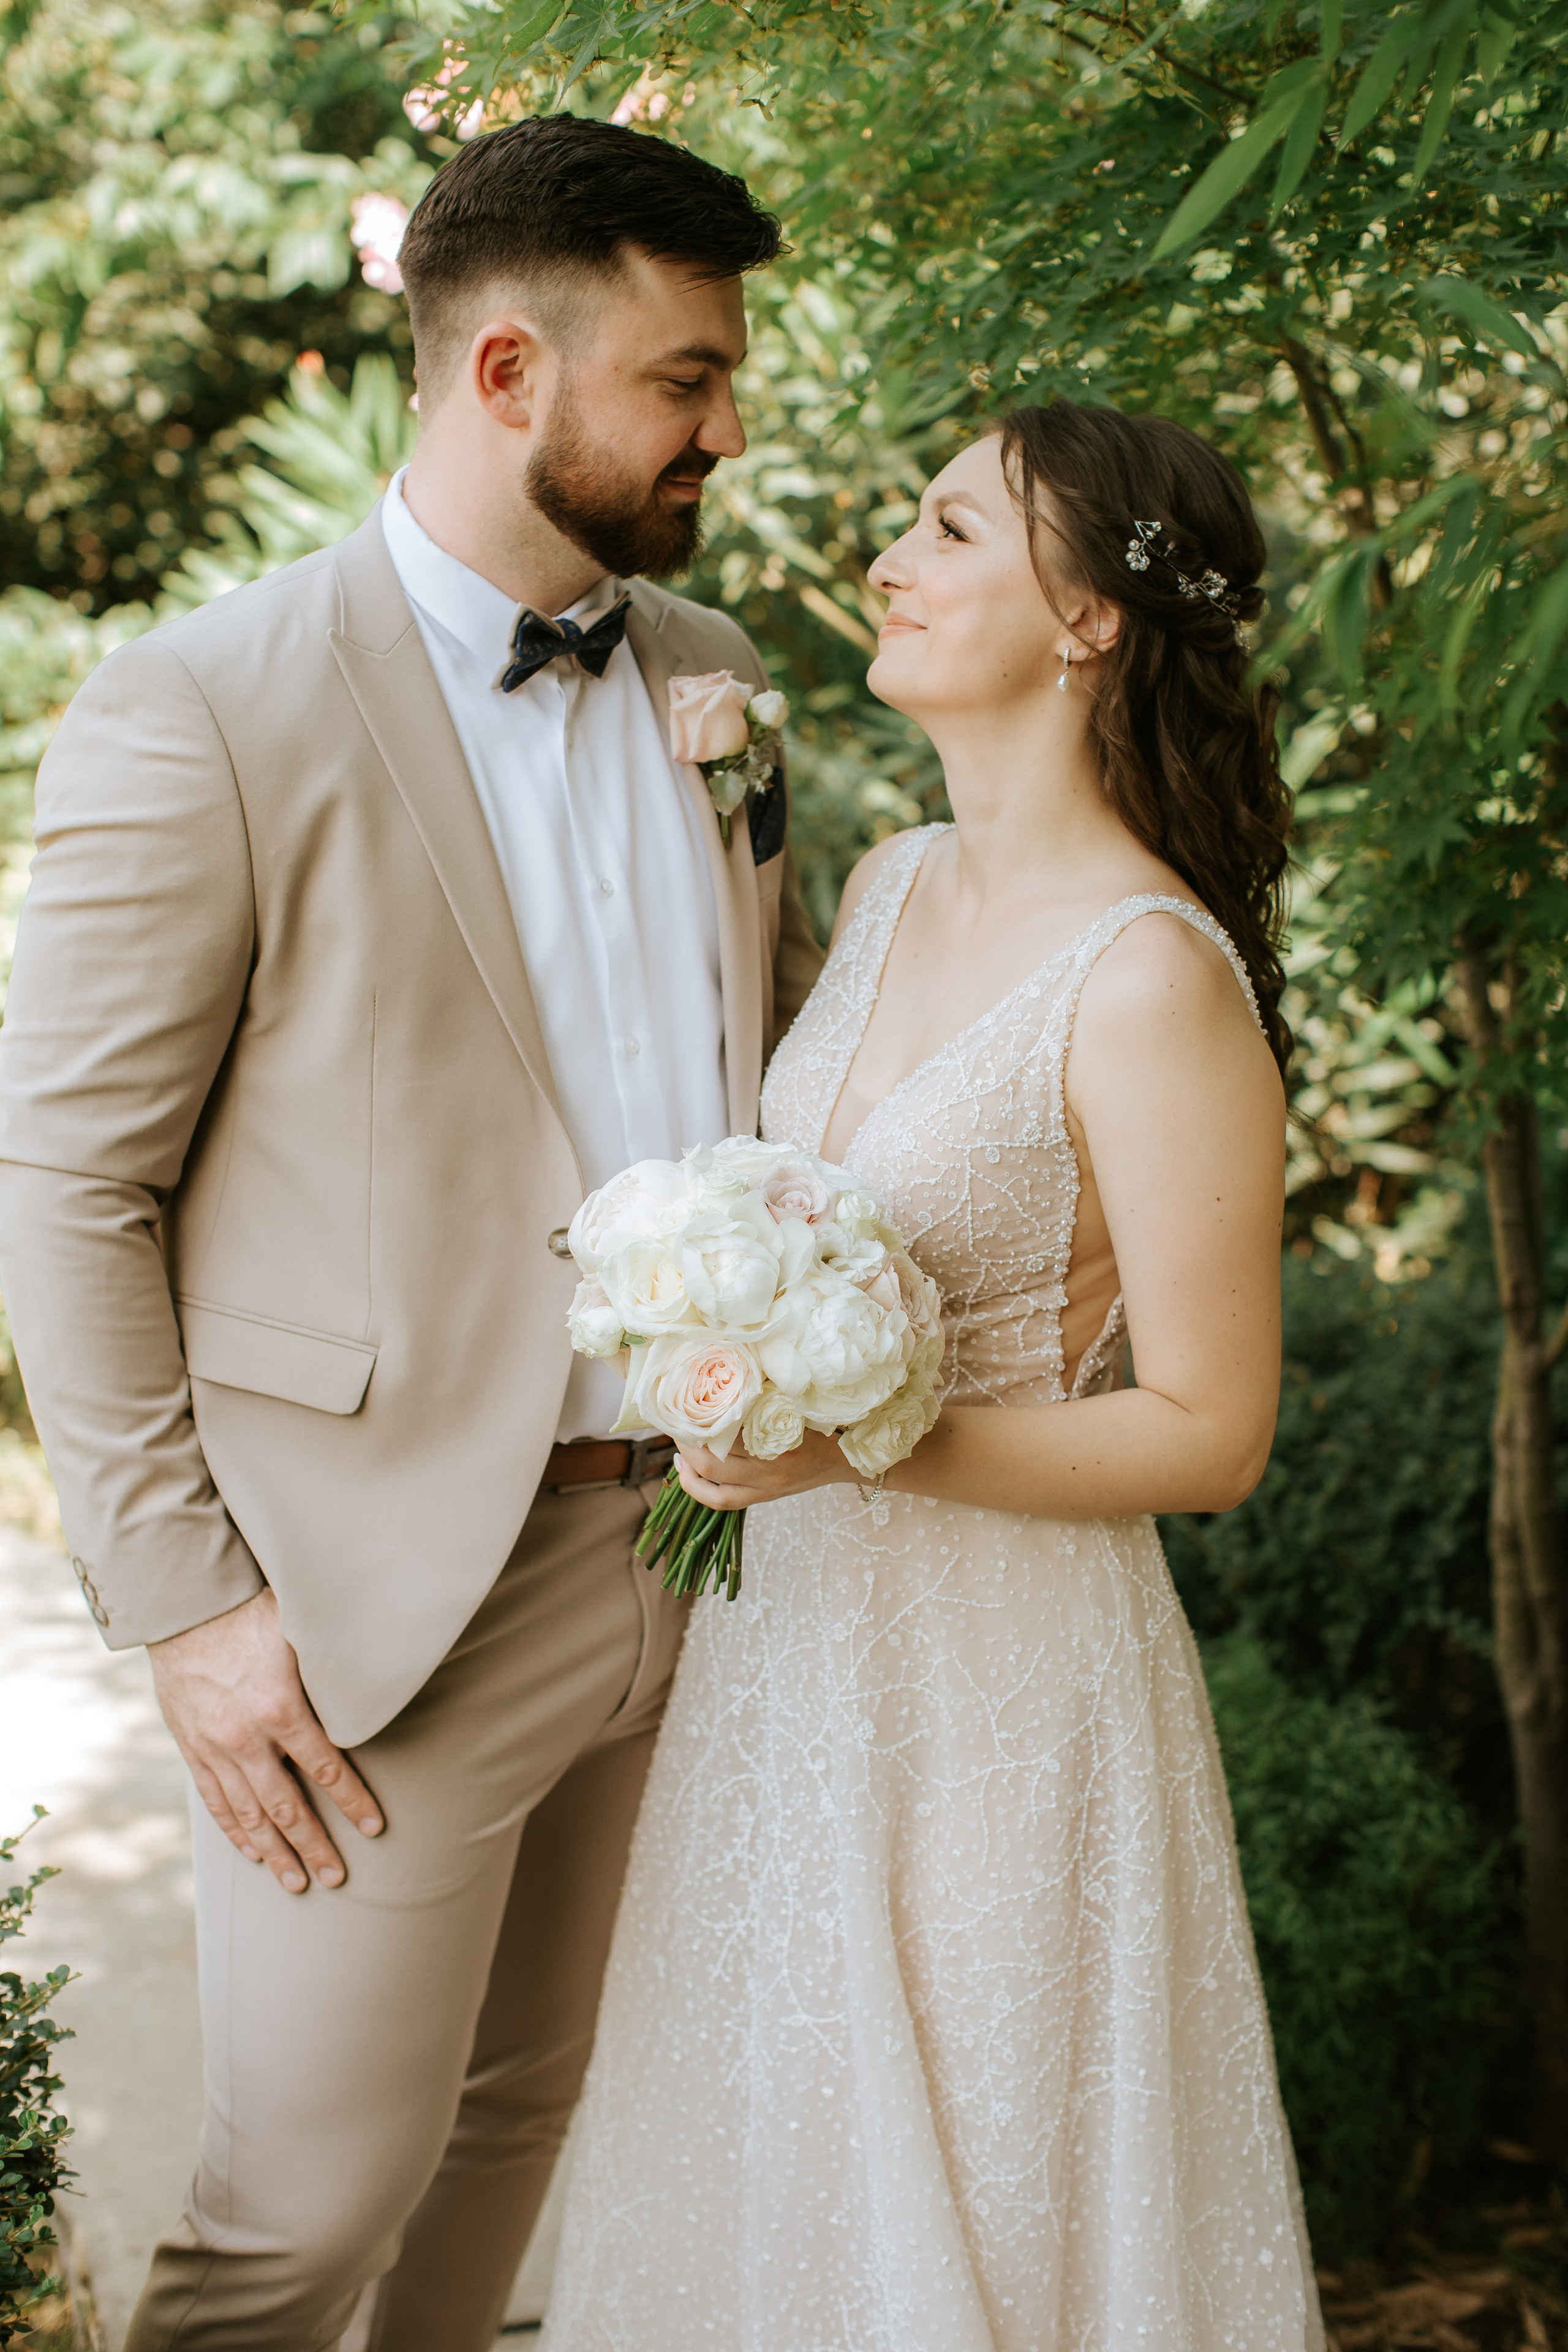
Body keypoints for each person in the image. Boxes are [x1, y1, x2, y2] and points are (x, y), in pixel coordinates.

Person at [0, 114, 820, 2351]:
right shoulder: (210, 706)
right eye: (683, 381)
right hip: (380, 1613)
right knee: (301, 2209)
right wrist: (190, 1606)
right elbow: (67, 1188)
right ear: (504, 376)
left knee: (527, 2127)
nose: (725, 429)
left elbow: (792, 1051)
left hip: (699, 1551)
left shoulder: (717, 670)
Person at [539, 398, 1326, 2351]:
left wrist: (857, 1446)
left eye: (951, 529)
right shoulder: (891, 879)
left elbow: (1213, 1431)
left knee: (982, 2188)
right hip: (795, 1654)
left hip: (1004, 1687)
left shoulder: (1151, 974)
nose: (890, 560)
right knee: (778, 2172)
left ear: (1089, 620)